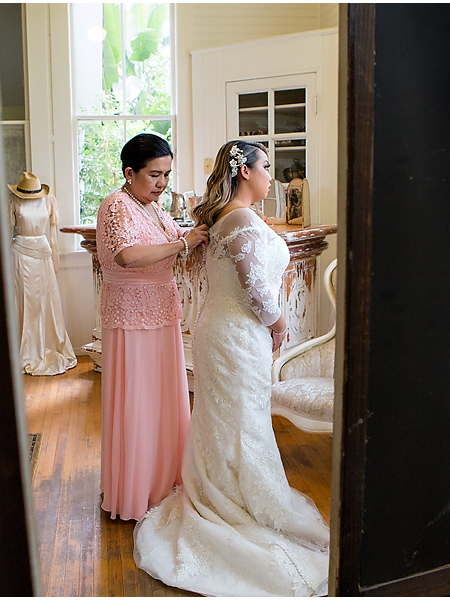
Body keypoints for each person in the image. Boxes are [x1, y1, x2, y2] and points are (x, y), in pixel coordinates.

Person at [133, 141, 330, 596]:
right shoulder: (239, 219)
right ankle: (231, 504)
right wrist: (280, 325)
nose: (271, 177)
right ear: (244, 173)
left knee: (234, 422)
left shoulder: (236, 218)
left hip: (231, 333)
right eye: (265, 167)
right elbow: (256, 289)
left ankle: (227, 492)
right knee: (238, 422)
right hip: (234, 336)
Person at [95, 133, 210, 521]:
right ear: (130, 173)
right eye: (154, 175)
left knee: (163, 398)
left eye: (167, 175)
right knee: (138, 398)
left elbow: (179, 239)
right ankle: (135, 486)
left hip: (162, 311)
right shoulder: (116, 206)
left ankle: (164, 480)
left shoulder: (155, 209)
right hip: (131, 316)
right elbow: (126, 256)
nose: (162, 183)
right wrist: (183, 245)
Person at [7, 172, 77, 376]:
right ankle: (25, 349)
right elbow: (7, 230)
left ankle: (49, 344)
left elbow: (52, 232)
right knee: (24, 301)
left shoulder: (49, 199)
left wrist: (54, 257)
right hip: (20, 253)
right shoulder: (12, 200)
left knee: (46, 300)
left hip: (43, 253)